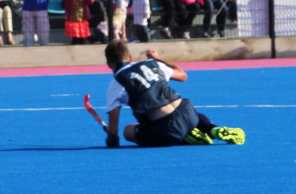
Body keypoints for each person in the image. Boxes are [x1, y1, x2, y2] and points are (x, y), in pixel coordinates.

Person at [99, 41, 245, 148]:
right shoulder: (152, 64)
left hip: (168, 129)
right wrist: (158, 59)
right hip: (189, 113)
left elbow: (113, 130)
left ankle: (185, 138)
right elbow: (183, 75)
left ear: (108, 64)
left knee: (128, 130)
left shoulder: (117, 82)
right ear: (130, 57)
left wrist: (111, 140)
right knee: (184, 110)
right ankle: (212, 128)